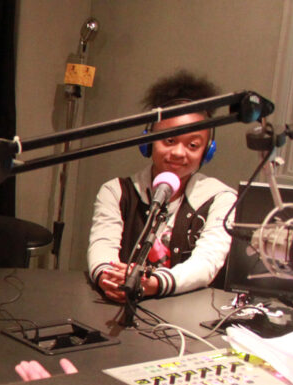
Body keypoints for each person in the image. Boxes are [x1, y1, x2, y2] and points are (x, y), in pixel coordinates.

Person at [88, 70, 235, 302]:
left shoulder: (221, 198)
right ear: (148, 141)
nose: (178, 152)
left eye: (193, 145)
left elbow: (207, 262)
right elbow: (102, 246)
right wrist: (108, 278)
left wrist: (153, 285)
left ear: (207, 151)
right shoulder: (116, 191)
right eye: (169, 140)